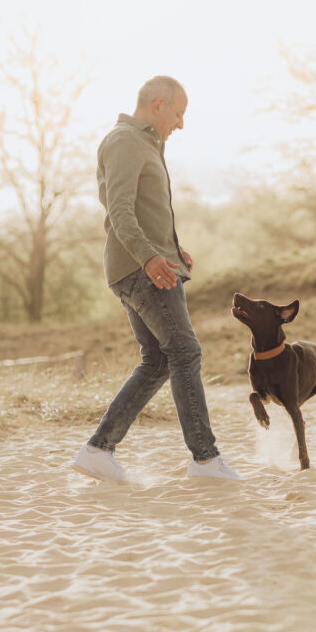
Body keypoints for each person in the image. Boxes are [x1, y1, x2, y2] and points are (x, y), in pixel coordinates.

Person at [72, 76, 241, 483]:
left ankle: (99, 449)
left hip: (142, 264)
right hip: (139, 269)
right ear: (159, 104)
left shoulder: (144, 144)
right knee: (185, 351)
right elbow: (120, 210)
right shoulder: (125, 141)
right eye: (179, 113)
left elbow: (143, 211)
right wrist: (150, 258)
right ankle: (205, 460)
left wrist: (169, 248)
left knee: (159, 360)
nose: (181, 124)